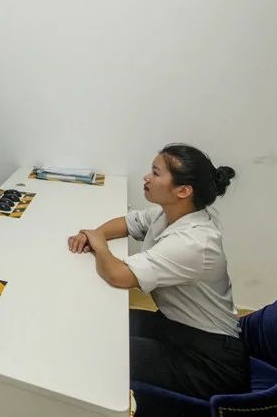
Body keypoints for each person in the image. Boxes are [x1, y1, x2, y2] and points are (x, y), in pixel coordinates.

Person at [66, 144, 249, 405]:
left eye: (155, 173)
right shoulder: (171, 213)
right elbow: (128, 222)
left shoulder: (193, 242)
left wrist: (98, 244)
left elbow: (118, 275)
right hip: (175, 327)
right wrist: (94, 234)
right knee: (99, 325)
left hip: (209, 361)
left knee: (102, 352)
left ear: (183, 191)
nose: (146, 177)